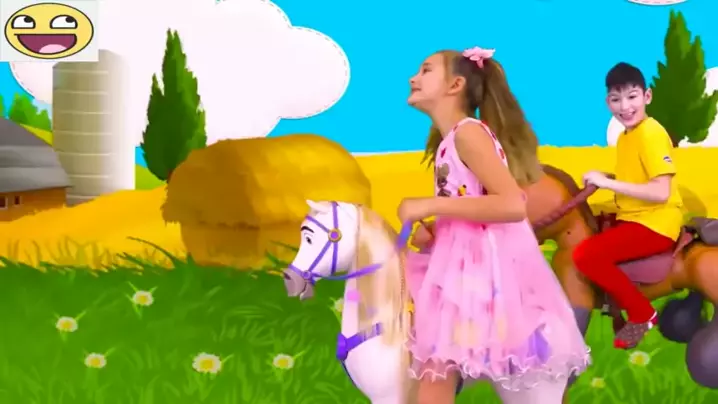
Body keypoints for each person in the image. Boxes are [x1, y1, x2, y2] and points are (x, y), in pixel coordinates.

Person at [398, 47, 590, 404]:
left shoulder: (468, 134)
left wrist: (431, 204)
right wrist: (438, 228)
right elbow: (474, 203)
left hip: (481, 277)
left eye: (425, 70)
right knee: (434, 371)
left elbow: (512, 204)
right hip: (462, 270)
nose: (413, 78)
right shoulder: (452, 140)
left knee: (436, 371)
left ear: (455, 85)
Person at [573, 62, 683, 349]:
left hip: (655, 222)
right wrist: (608, 178)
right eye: (616, 99)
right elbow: (638, 179)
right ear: (607, 102)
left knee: (586, 255)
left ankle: (642, 312)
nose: (625, 106)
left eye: (632, 96)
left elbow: (660, 192)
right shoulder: (626, 137)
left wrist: (608, 184)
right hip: (634, 216)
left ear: (647, 96)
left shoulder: (650, 133)